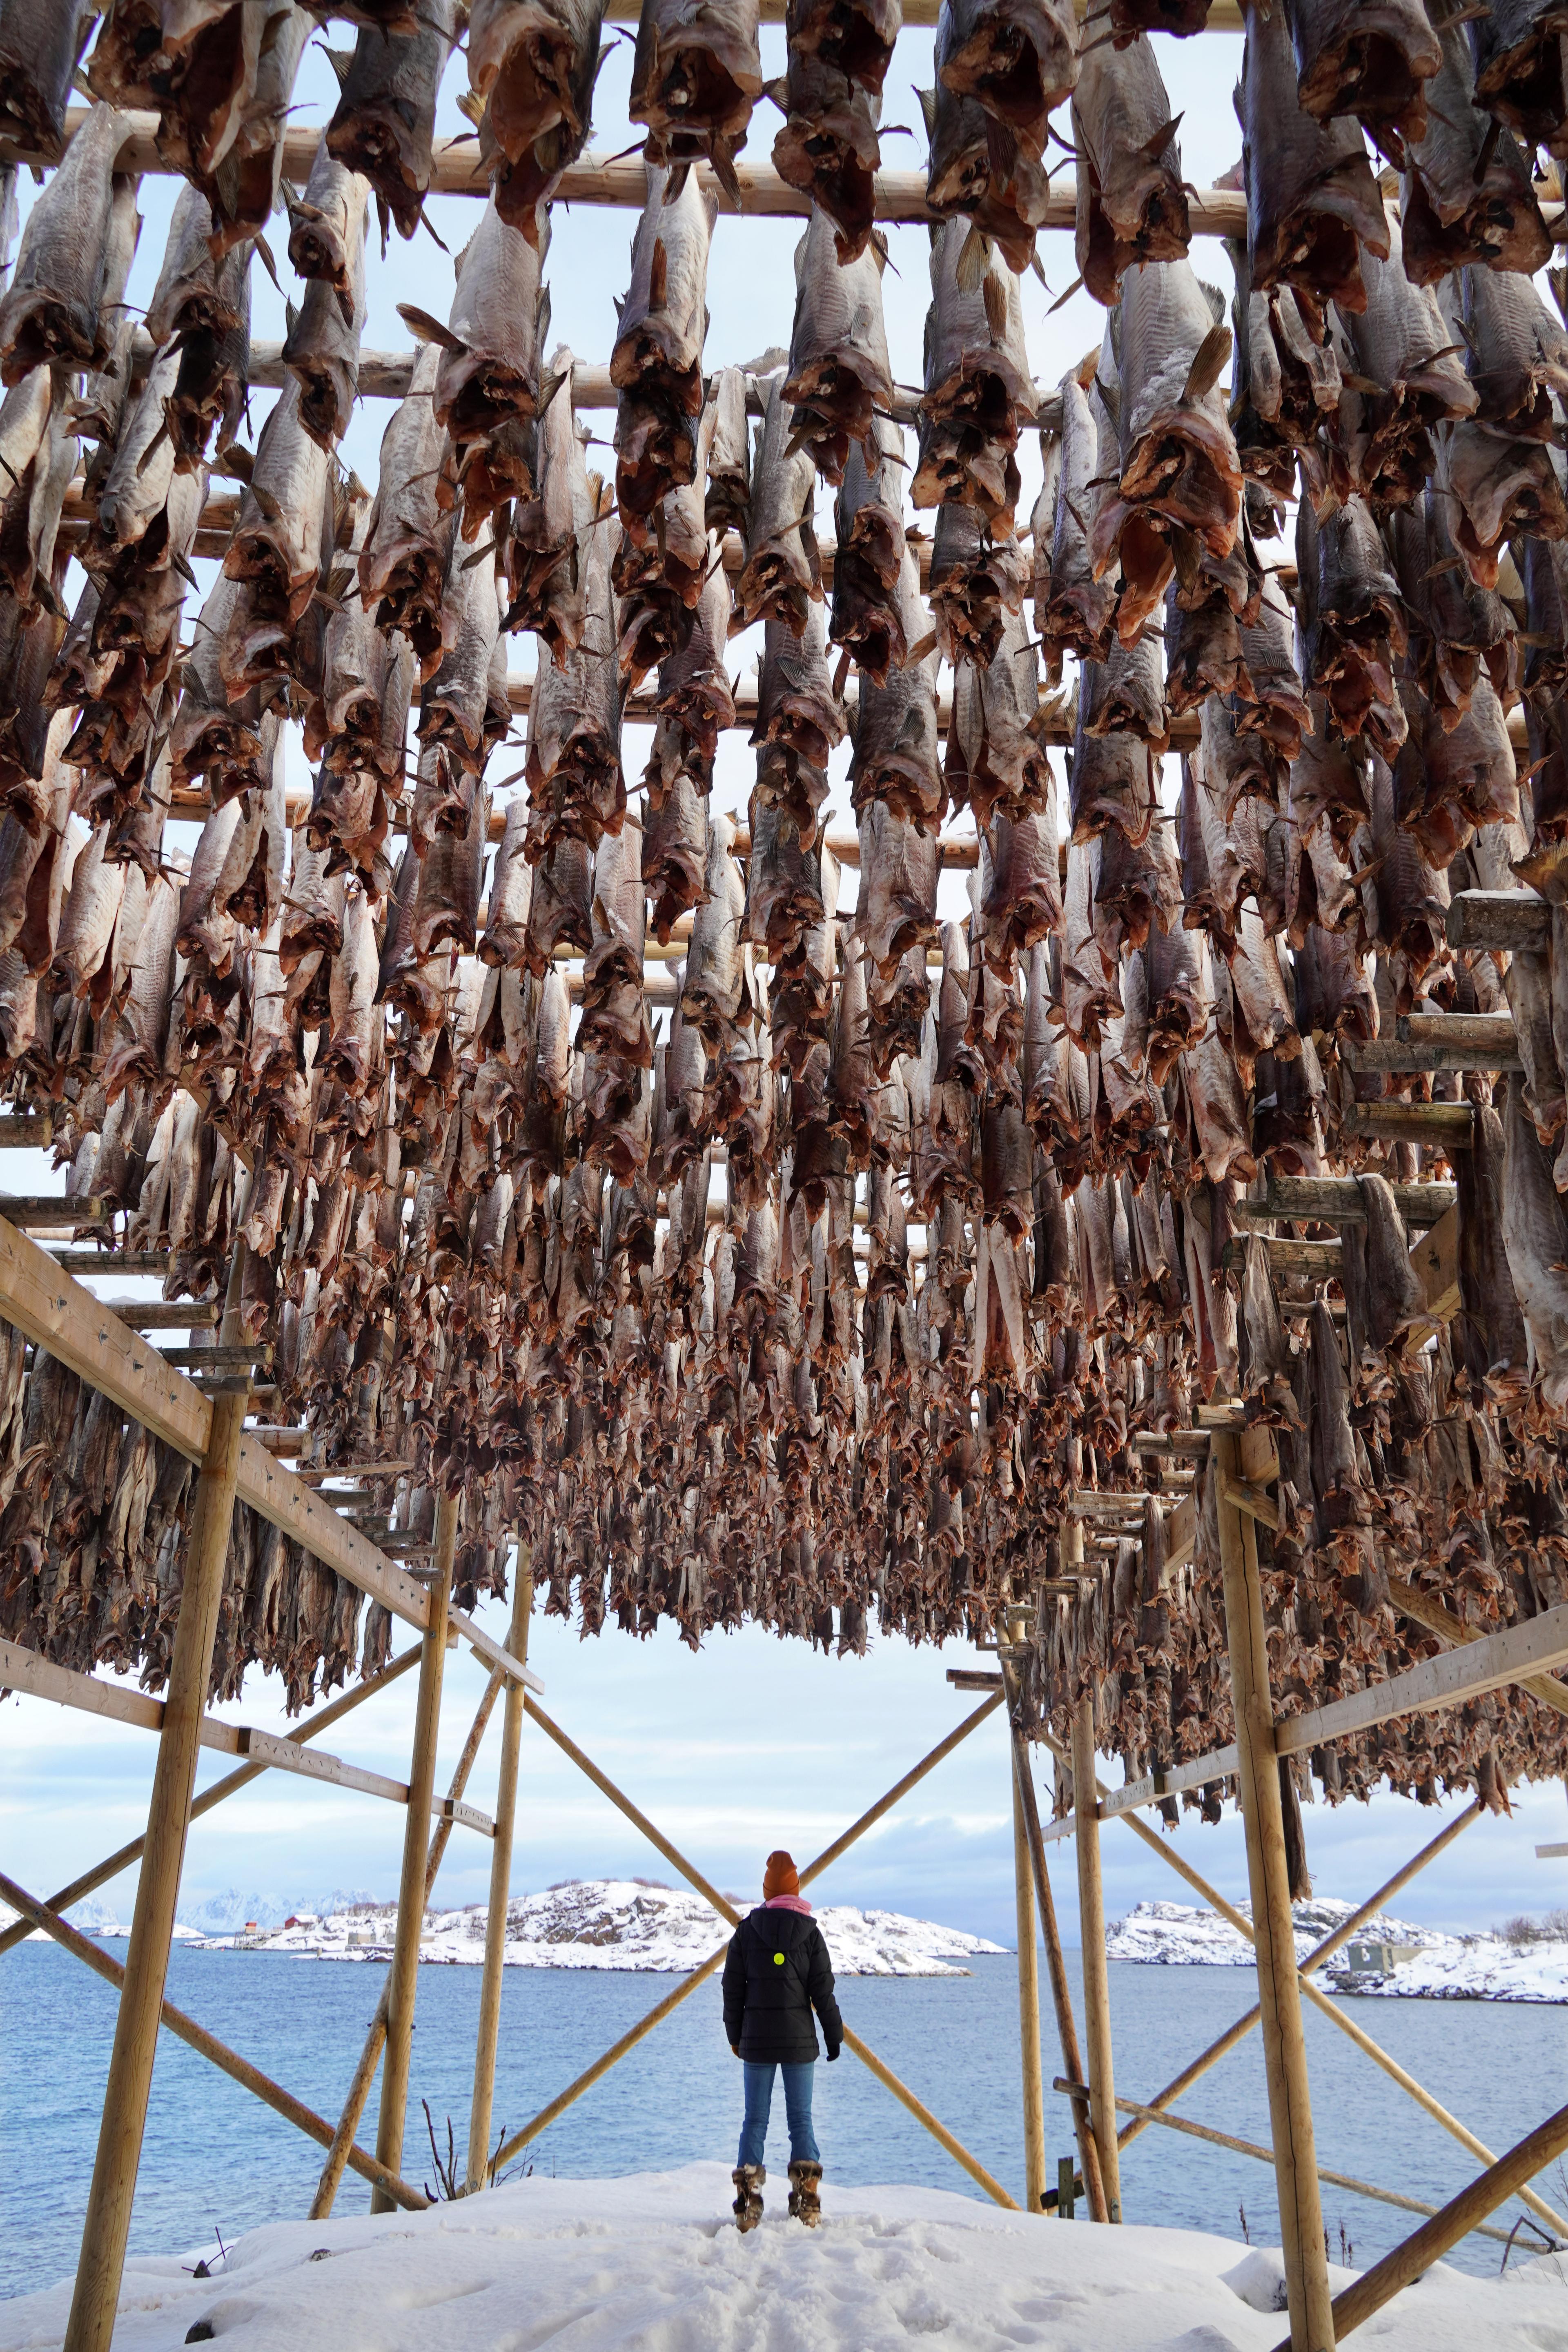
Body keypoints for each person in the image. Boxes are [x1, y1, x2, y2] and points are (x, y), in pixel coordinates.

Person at [722, 1848, 842, 2231]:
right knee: (801, 2121)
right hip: (798, 2044)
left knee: (754, 2121)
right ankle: (807, 2205)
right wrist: (833, 2034)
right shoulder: (810, 1933)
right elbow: (823, 1991)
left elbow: (732, 1990)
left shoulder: (745, 1931)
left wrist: (734, 2035)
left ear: (767, 1890)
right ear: (795, 1888)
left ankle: (747, 2207)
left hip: (755, 2041)